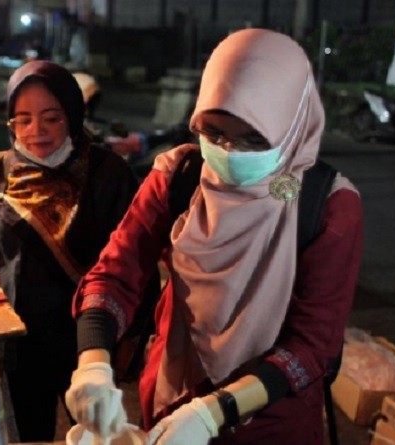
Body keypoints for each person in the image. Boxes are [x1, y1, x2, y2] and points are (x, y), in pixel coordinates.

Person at [64, 29, 364, 444]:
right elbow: (116, 274)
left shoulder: (317, 203)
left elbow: (312, 346)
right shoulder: (180, 178)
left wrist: (214, 412)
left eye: (252, 137)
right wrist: (93, 361)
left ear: (291, 126)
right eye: (212, 131)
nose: (227, 151)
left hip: (271, 422)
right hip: (172, 398)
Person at [0, 60, 155, 442]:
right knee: (30, 431)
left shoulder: (107, 171)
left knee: (94, 433)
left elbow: (138, 256)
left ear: (72, 115)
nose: (36, 132)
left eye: (50, 118)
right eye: (23, 119)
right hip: (22, 337)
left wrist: (132, 336)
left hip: (86, 341)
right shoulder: (1, 169)